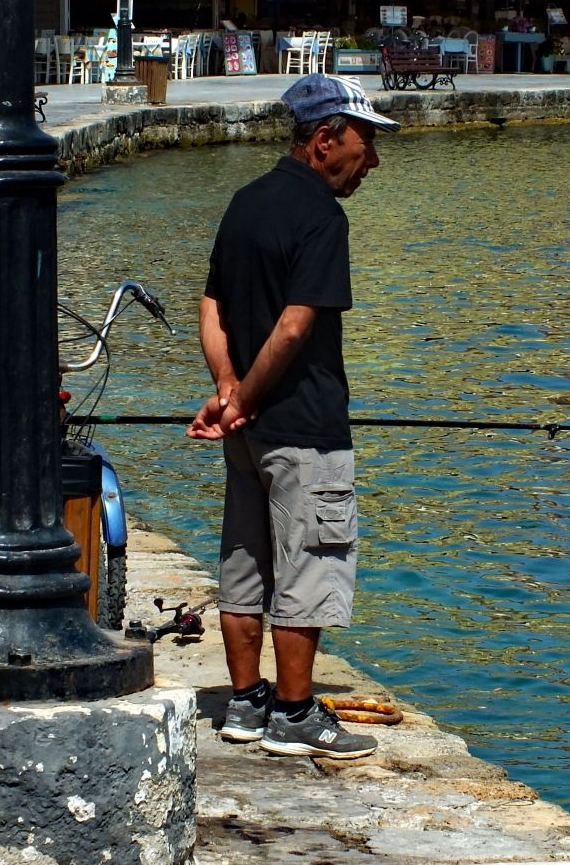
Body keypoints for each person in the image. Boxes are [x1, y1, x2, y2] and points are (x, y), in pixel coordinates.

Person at [186, 72, 400, 760]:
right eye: (364, 143)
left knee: (245, 561)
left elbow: (211, 305)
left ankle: (246, 703)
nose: (371, 160)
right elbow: (295, 325)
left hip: (247, 434)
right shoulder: (322, 218)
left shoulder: (245, 203)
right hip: (302, 427)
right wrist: (243, 396)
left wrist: (227, 391)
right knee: (312, 562)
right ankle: (295, 712)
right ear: (323, 139)